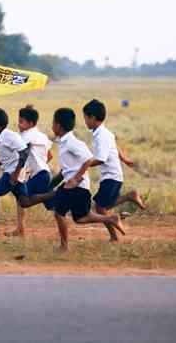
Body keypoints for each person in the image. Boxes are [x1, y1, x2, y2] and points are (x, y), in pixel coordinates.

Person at [0, 107, 54, 237]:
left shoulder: (15, 136)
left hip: (14, 171)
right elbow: (5, 153)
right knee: (24, 202)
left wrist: (16, 173)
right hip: (20, 171)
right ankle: (54, 194)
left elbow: (24, 152)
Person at [70, 99, 145, 241]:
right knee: (103, 206)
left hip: (111, 176)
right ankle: (129, 197)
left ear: (92, 117)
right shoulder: (104, 132)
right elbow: (115, 147)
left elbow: (101, 159)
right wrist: (126, 160)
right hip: (113, 176)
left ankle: (114, 235)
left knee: (100, 208)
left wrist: (83, 166)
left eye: (85, 118)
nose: (85, 121)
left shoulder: (101, 136)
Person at [51, 107, 125, 250]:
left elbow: (88, 159)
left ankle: (64, 246)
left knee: (59, 213)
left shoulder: (72, 142)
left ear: (58, 125)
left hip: (76, 186)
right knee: (80, 218)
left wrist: (76, 178)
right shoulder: (64, 141)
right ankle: (111, 218)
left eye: (53, 123)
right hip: (77, 186)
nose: (52, 126)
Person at [6, 105, 55, 237]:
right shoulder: (41, 135)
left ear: (31, 123)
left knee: (22, 199)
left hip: (40, 175)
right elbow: (49, 156)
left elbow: (18, 150)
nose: (18, 124)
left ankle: (20, 229)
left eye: (21, 121)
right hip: (44, 173)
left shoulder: (26, 136)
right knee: (53, 207)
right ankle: (20, 229)